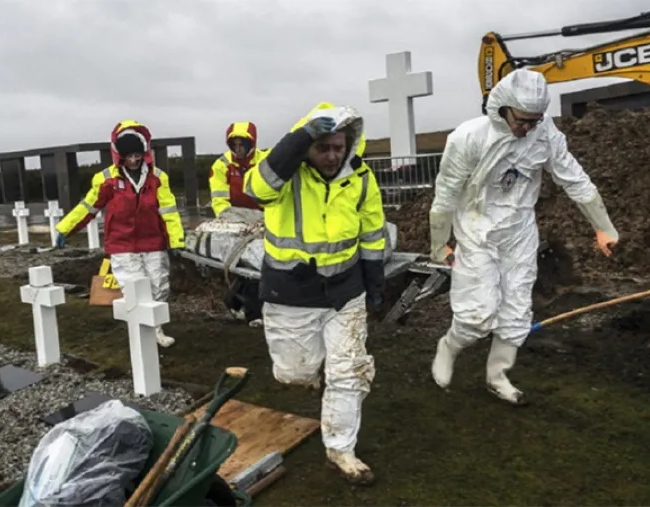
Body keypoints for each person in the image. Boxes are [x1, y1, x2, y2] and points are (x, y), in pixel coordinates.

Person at [428, 68, 620, 404]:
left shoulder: (544, 134)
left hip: (519, 229)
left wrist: (603, 226)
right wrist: (438, 244)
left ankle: (497, 374)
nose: (527, 128)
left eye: (534, 120)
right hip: (477, 229)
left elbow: (574, 178)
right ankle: (449, 346)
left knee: (517, 310)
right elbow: (444, 196)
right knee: (478, 313)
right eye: (522, 120)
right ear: (502, 108)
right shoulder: (468, 138)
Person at [243, 101, 386, 486]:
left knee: (348, 370)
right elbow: (255, 188)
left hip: (345, 293)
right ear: (307, 145)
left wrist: (375, 285)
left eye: (338, 147)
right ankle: (322, 374)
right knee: (295, 373)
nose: (332, 155)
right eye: (322, 147)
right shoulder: (285, 175)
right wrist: (298, 138)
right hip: (290, 293)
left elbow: (373, 234)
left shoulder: (361, 177)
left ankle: (341, 449)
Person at [55, 120, 184, 348]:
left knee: (159, 286)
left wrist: (176, 239)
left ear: (144, 153)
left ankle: (156, 329)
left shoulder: (158, 178)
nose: (133, 160)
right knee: (134, 288)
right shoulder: (106, 179)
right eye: (128, 156)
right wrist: (65, 229)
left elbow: (169, 211)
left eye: (137, 155)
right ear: (118, 155)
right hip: (122, 244)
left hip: (153, 242)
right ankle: (139, 332)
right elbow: (88, 207)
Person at [209, 121, 270, 327]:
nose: (238, 148)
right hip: (236, 224)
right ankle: (252, 312)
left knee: (256, 265)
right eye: (233, 144)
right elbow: (219, 199)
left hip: (265, 222)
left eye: (241, 144)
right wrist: (231, 220)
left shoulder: (266, 161)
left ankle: (239, 304)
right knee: (246, 265)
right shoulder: (221, 165)